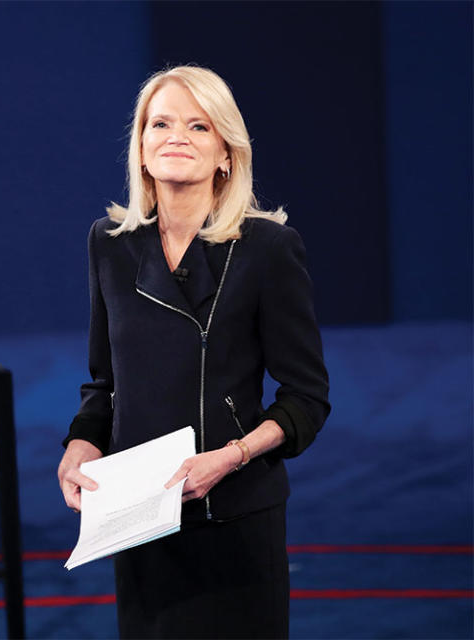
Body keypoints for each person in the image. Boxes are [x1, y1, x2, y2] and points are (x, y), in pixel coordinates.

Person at [57, 65, 330, 639]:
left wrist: (231, 455)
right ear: (141, 146)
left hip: (236, 518)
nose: (176, 136)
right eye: (161, 123)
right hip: (140, 522)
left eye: (198, 126)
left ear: (225, 153)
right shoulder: (109, 245)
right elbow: (104, 383)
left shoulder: (269, 249)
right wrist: (80, 445)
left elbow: (306, 398)